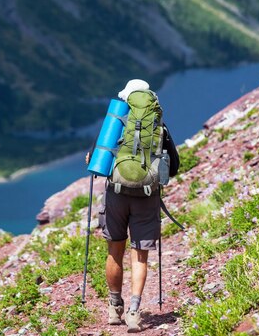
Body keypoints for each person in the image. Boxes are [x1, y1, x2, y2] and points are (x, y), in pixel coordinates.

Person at [85, 79, 179, 332]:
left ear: (127, 100)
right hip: (147, 197)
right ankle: (135, 312)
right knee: (140, 255)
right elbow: (174, 166)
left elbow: (94, 160)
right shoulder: (159, 127)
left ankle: (114, 306)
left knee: (114, 250)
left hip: (116, 195)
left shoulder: (116, 123)